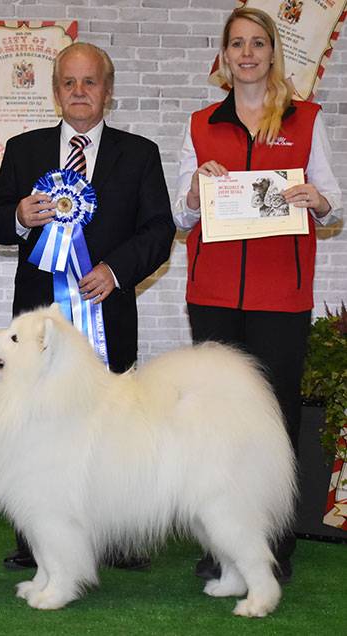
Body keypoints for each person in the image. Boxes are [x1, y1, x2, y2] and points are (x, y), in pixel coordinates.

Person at [0, 42, 175, 570]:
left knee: (112, 429)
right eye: (69, 82)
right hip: (39, 327)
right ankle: (37, 540)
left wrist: (115, 270)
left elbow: (160, 230)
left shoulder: (139, 153)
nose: (79, 92)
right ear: (55, 92)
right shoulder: (23, 150)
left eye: (90, 82)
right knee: (36, 425)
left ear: (108, 91)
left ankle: (113, 536)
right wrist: (19, 215)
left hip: (107, 312)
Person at [173, 7, 342, 583]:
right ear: (223, 56)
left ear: (273, 52)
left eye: (257, 43)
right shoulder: (200, 123)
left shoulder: (307, 118)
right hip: (214, 292)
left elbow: (334, 204)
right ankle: (220, 543)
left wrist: (315, 199)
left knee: (276, 419)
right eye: (236, 44)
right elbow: (178, 214)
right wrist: (197, 189)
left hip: (281, 295)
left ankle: (273, 543)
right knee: (215, 421)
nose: (247, 53)